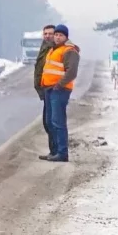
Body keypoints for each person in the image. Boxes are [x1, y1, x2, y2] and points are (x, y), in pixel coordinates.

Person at [36, 23, 80, 162]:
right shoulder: (53, 50)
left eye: (60, 35)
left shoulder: (69, 50)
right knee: (50, 122)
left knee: (58, 121)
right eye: (56, 35)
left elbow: (72, 72)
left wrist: (59, 85)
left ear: (66, 37)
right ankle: (54, 151)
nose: (57, 37)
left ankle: (62, 153)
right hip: (49, 89)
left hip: (59, 90)